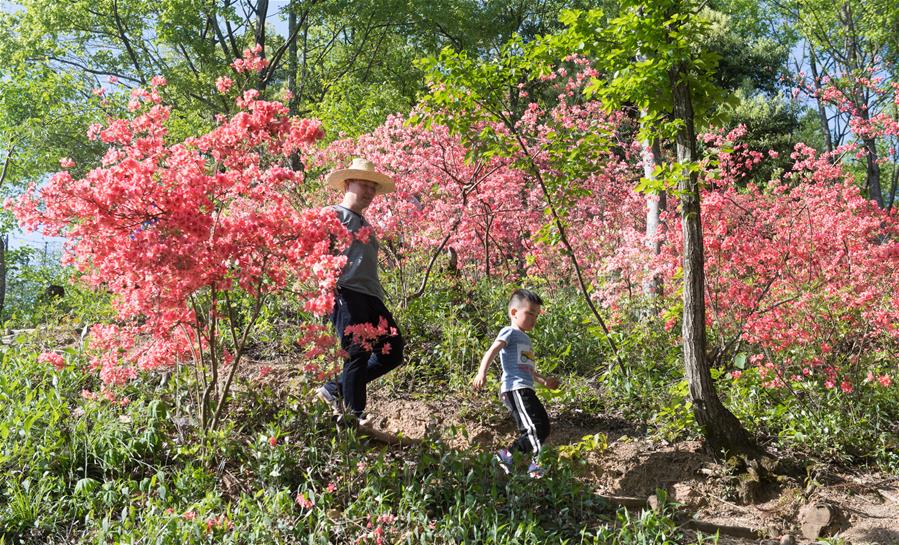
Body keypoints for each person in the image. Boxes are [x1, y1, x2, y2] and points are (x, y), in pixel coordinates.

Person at [316, 158, 405, 425]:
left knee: (393, 351)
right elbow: (317, 253)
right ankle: (354, 415)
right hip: (346, 291)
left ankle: (334, 389)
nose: (369, 192)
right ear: (346, 184)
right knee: (358, 351)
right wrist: (327, 286)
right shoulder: (333, 214)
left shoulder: (366, 225)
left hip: (371, 295)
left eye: (372, 188)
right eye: (363, 185)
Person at [472, 289, 558, 478]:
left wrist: (544, 381)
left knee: (543, 426)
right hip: (514, 388)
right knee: (534, 427)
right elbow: (492, 351)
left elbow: (528, 369)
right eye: (529, 313)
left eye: (536, 315)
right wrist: (482, 372)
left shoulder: (526, 339)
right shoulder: (509, 332)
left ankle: (507, 455)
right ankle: (534, 467)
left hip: (525, 388)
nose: (533, 319)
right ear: (513, 313)